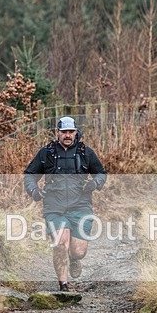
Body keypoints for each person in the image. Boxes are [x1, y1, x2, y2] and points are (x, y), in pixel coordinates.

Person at [24, 116, 107, 291]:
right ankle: (64, 286)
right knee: (60, 242)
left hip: (81, 206)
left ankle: (74, 259)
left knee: (78, 251)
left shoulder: (86, 152)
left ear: (76, 132)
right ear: (57, 132)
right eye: (64, 132)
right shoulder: (46, 153)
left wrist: (95, 183)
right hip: (54, 206)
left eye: (70, 132)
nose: (67, 135)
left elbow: (101, 173)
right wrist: (35, 191)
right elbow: (30, 175)